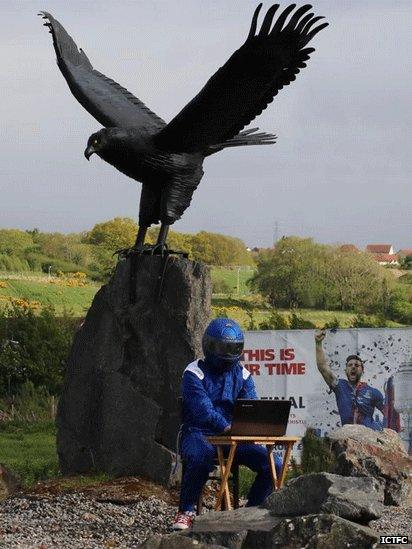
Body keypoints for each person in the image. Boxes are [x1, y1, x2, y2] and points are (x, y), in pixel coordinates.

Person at [172, 318, 281, 530]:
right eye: (223, 347)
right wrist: (225, 426)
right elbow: (202, 410)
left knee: (273, 464)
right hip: (199, 433)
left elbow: (250, 405)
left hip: (233, 438)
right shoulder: (193, 372)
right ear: (210, 345)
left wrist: (251, 426)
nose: (228, 353)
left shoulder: (243, 374)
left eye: (233, 348)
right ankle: (186, 511)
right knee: (200, 457)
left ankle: (251, 513)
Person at [315, 330, 384, 431]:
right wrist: (318, 343)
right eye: (350, 365)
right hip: (348, 438)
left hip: (369, 439)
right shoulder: (339, 386)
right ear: (345, 370)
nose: (353, 367)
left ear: (362, 370)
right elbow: (323, 368)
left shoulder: (374, 393)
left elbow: (389, 414)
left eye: (357, 365)